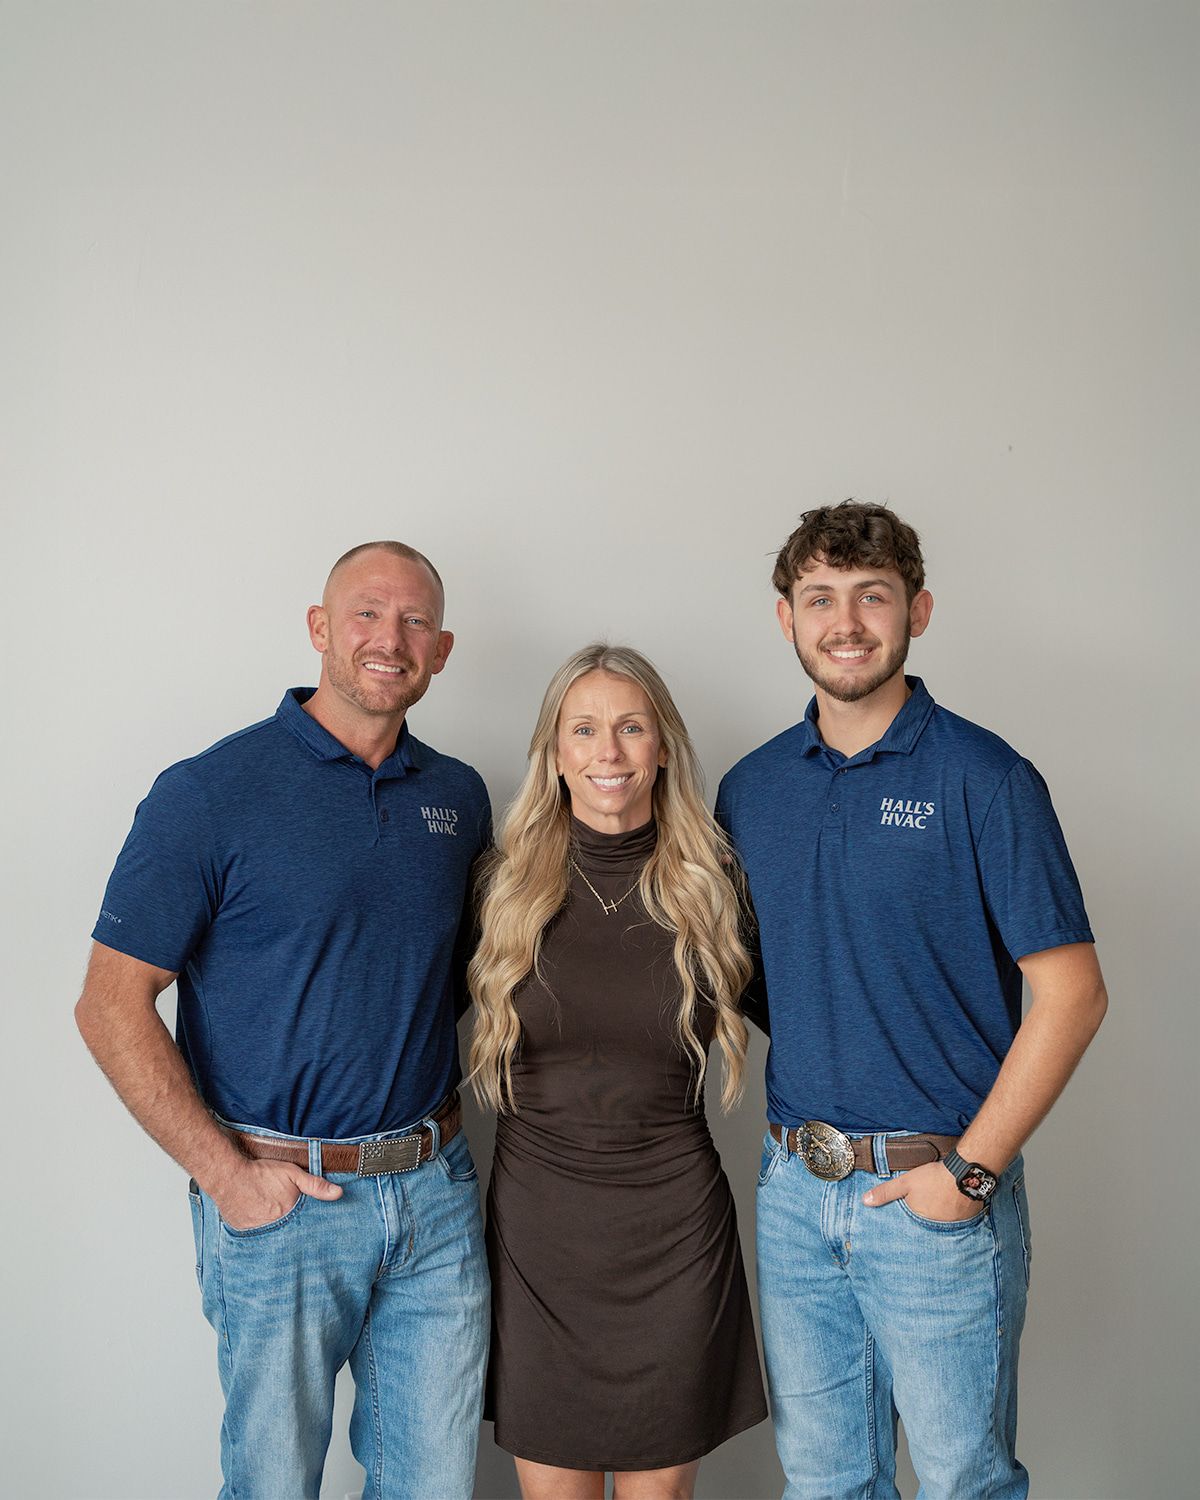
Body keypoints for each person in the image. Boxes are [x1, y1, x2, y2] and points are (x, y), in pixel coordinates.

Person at [75, 541, 491, 1500]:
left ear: (443, 648)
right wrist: (226, 1177)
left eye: (415, 621)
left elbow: (458, 978)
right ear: (318, 629)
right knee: (272, 1485)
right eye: (366, 614)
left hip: (432, 1197)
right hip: (282, 1203)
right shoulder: (210, 793)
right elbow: (108, 1003)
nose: (391, 639)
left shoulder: (457, 798)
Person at [715, 501, 1107, 1500]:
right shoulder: (752, 789)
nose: (846, 623)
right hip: (797, 1194)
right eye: (820, 599)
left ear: (917, 611)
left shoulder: (985, 777)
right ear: (786, 618)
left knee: (962, 1481)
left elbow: (1072, 995)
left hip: (935, 1195)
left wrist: (967, 1174)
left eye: (871, 597)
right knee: (825, 1482)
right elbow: (763, 980)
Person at [468, 644, 767, 1500]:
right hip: (538, 1241)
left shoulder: (714, 885)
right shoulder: (500, 888)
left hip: (674, 1237)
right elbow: (393, 1015)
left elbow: (820, 1011)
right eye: (586, 729)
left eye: (632, 727)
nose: (610, 752)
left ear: (663, 746)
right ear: (554, 751)